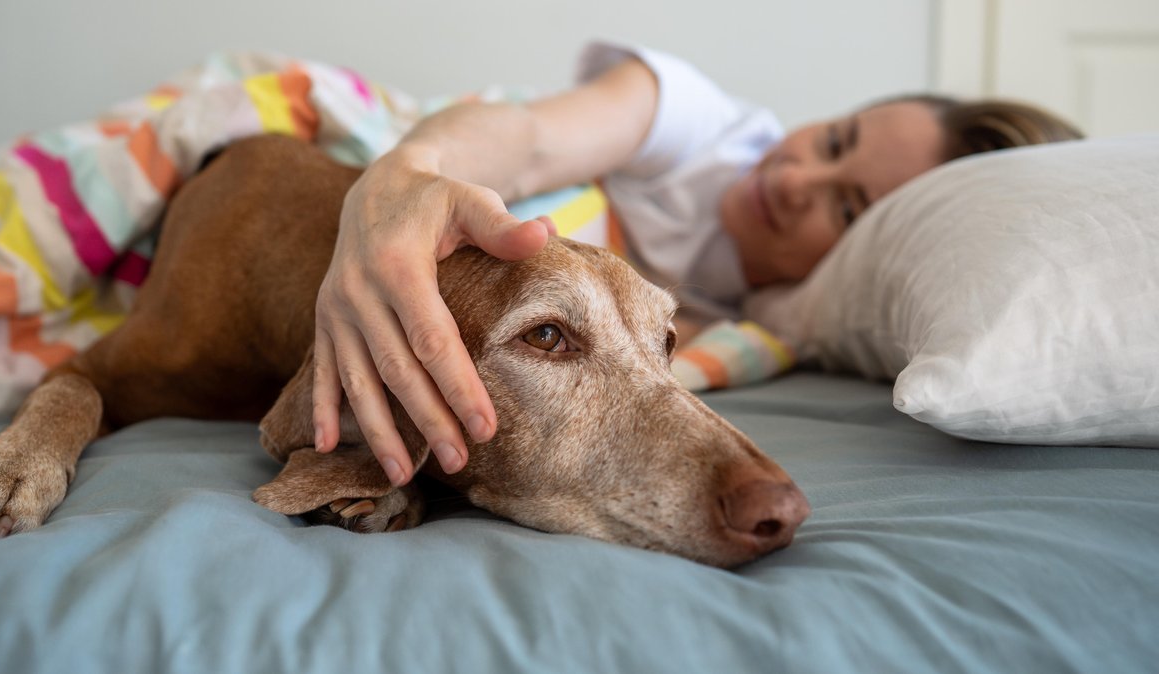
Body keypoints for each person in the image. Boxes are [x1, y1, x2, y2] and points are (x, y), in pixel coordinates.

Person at [310, 42, 1083, 487]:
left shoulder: (788, 317)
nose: (795, 178)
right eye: (835, 139)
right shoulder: (699, 124)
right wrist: (406, 176)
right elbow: (528, 141)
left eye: (846, 207)